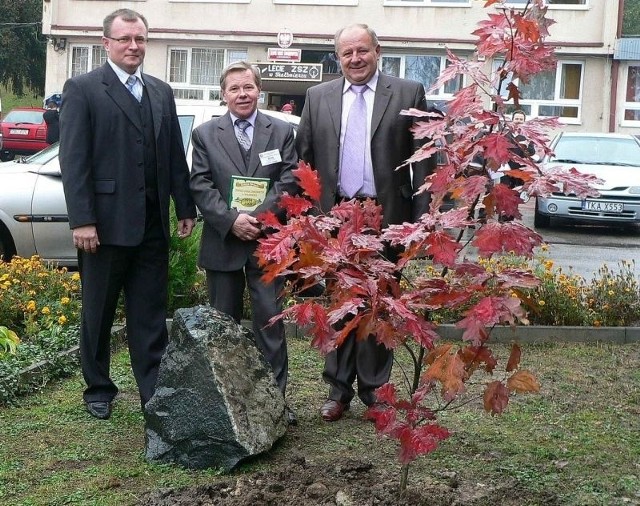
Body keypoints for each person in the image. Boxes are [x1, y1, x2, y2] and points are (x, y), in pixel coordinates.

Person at [59, 8, 196, 420]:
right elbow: (74, 159)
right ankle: (98, 387)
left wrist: (184, 205)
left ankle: (151, 387)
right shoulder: (83, 89)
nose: (134, 46)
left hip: (152, 224)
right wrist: (82, 219)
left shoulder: (159, 90)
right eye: (125, 39)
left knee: (150, 312)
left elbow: (173, 153)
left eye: (140, 39)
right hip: (102, 225)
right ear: (107, 44)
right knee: (98, 312)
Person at [296, 23, 434, 422]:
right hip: (335, 217)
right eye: (346, 53)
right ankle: (337, 390)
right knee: (340, 303)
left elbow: (424, 162)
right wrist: (307, 219)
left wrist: (420, 224)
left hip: (388, 217)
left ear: (378, 50)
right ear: (336, 57)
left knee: (380, 303)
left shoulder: (408, 93)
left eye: (362, 51)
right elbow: (303, 160)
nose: (355, 59)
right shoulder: (317, 96)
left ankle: (375, 389)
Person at [189, 61, 299, 425]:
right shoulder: (205, 134)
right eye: (234, 89)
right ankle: (227, 407)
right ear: (223, 94)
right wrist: (231, 220)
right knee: (223, 327)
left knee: (270, 324)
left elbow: (289, 181)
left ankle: (273, 406)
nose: (242, 94)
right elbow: (200, 184)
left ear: (259, 91)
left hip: (267, 244)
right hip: (224, 241)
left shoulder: (281, 131)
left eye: (248, 87)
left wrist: (259, 218)